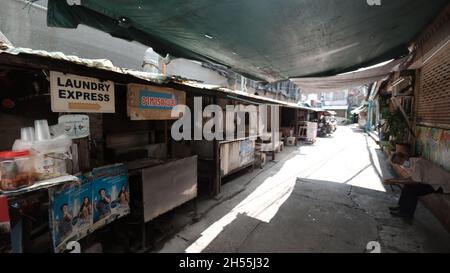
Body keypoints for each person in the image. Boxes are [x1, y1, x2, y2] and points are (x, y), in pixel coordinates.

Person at [384, 156, 450, 222]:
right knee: (407, 186)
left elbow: (414, 181)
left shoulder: (418, 163)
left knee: (412, 190)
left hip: (442, 185)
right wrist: (394, 180)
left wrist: (395, 181)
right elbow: (410, 179)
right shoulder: (413, 163)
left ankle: (407, 214)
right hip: (433, 183)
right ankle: (401, 208)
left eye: (400, 161)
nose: (400, 164)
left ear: (404, 157)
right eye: (398, 163)